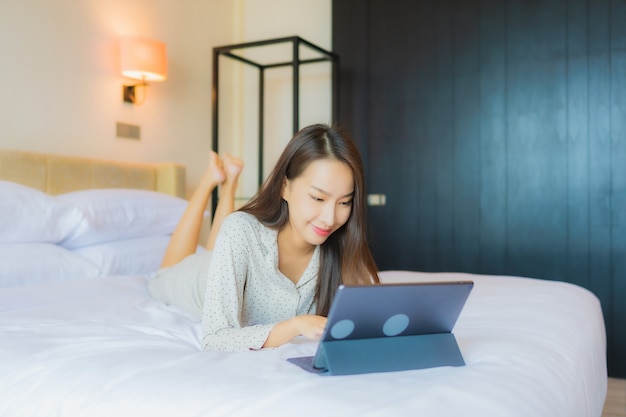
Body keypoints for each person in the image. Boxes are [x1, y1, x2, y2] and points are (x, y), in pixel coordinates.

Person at [149, 123, 379, 352]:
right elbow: (215, 339)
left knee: (224, 239)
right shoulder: (242, 230)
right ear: (284, 187)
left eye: (344, 202)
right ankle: (210, 180)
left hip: (232, 254)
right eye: (318, 198)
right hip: (199, 277)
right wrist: (294, 326)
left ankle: (228, 181)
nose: (330, 219)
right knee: (163, 275)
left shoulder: (345, 245)